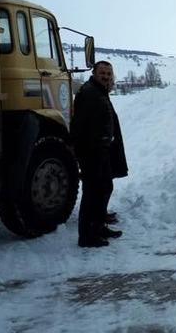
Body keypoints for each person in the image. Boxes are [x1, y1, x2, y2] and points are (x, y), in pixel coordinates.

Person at [71, 61, 126, 247]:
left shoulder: (99, 91)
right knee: (92, 193)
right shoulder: (89, 93)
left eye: (109, 73)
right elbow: (81, 126)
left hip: (101, 151)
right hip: (91, 152)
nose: (106, 76)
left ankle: (99, 226)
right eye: (102, 73)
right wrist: (88, 150)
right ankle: (86, 236)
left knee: (104, 188)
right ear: (94, 73)